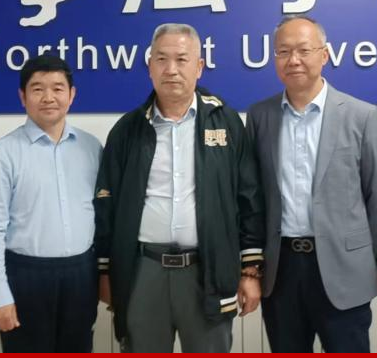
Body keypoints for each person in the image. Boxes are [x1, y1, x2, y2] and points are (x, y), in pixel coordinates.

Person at [94, 23, 266, 353]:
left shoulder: (226, 123)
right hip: (144, 271)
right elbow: (106, 205)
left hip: (207, 270)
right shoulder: (128, 130)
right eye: (161, 59)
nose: (171, 69)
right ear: (149, 67)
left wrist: (250, 270)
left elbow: (250, 198)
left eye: (182, 59)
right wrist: (105, 272)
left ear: (199, 67)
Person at [246, 15, 377, 352]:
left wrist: (366, 259)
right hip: (281, 269)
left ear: (324, 55)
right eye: (283, 52)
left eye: (303, 50)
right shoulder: (260, 116)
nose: (293, 60)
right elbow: (253, 196)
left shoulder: (361, 115)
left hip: (344, 269)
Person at [0, 55, 102, 352]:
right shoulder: (2, 154)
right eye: (37, 89)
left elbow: (102, 216)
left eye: (57, 88)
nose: (48, 97)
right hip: (25, 277)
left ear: (72, 94)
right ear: (23, 96)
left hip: (81, 276)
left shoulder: (91, 148)